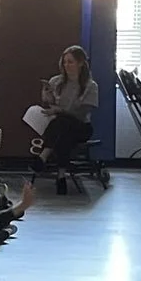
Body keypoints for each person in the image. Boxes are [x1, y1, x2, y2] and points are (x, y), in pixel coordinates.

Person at [32, 48, 99, 186]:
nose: (66, 65)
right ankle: (61, 175)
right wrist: (47, 95)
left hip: (81, 126)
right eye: (64, 62)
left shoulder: (90, 86)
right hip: (60, 126)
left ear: (80, 63)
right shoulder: (56, 81)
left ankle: (44, 155)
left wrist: (60, 110)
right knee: (63, 133)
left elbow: (82, 113)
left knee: (62, 122)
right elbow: (49, 104)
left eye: (70, 62)